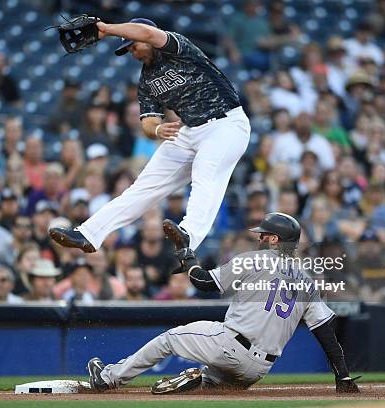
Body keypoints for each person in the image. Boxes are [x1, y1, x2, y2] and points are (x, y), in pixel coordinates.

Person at [86, 214, 359, 394]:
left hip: (229, 344)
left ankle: (109, 377)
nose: (259, 237)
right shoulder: (307, 281)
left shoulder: (254, 258)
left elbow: (204, 283)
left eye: (264, 234)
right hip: (259, 370)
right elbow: (326, 334)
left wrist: (187, 257)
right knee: (214, 386)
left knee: (168, 339)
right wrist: (343, 377)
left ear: (275, 239)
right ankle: (199, 380)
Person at [50, 18, 251, 255]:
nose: (132, 53)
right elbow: (147, 121)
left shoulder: (178, 48)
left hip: (225, 124)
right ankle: (89, 234)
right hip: (187, 131)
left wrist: (107, 29)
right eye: (128, 49)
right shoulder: (146, 80)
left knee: (205, 172)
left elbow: (146, 32)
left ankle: (189, 235)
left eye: (134, 46)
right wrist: (157, 130)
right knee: (143, 187)